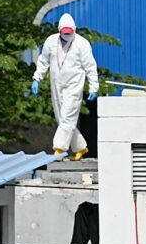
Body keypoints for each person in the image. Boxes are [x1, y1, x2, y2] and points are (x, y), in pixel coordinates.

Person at [32, 13, 99, 161]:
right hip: (56, 83)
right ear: (59, 30)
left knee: (68, 116)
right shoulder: (51, 42)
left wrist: (94, 86)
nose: (67, 35)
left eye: (70, 33)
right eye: (65, 33)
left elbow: (90, 67)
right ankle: (80, 147)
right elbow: (43, 61)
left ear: (74, 30)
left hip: (74, 84)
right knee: (62, 118)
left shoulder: (82, 44)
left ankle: (59, 148)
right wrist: (37, 78)